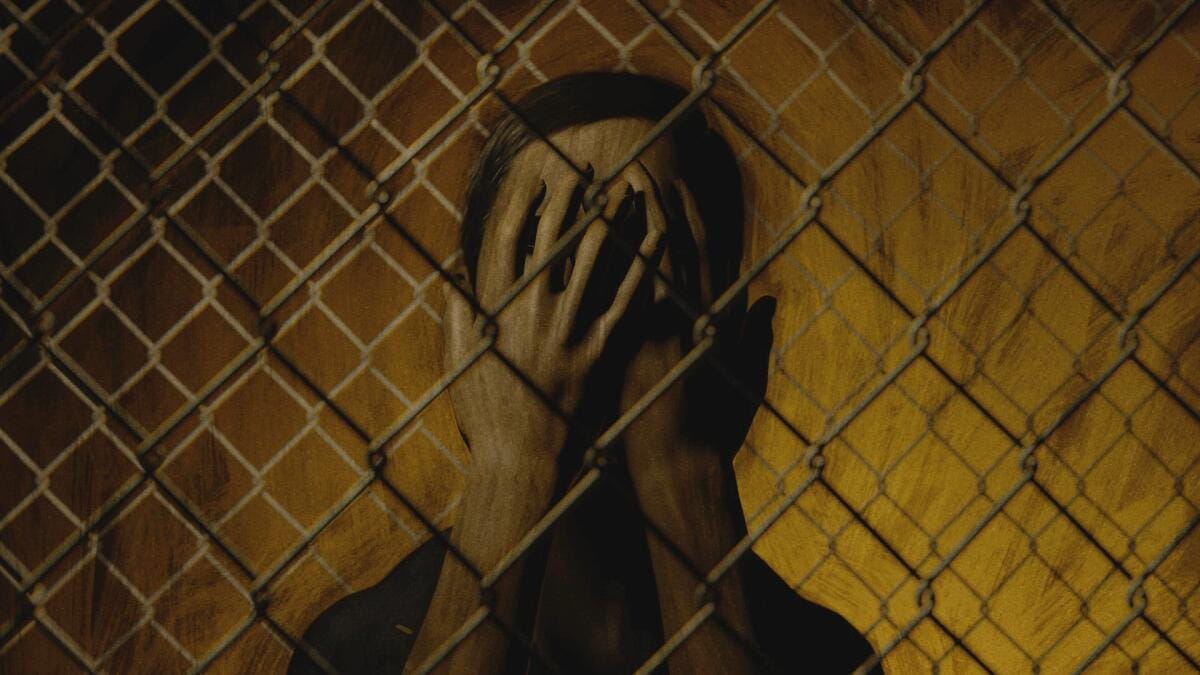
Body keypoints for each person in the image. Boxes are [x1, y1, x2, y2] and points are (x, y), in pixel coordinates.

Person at [289, 73, 879, 674]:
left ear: (740, 347)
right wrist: (513, 466)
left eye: (652, 254)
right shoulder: (353, 652)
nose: (603, 317)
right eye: (554, 258)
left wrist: (683, 472)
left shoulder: (828, 660)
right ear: (465, 335)